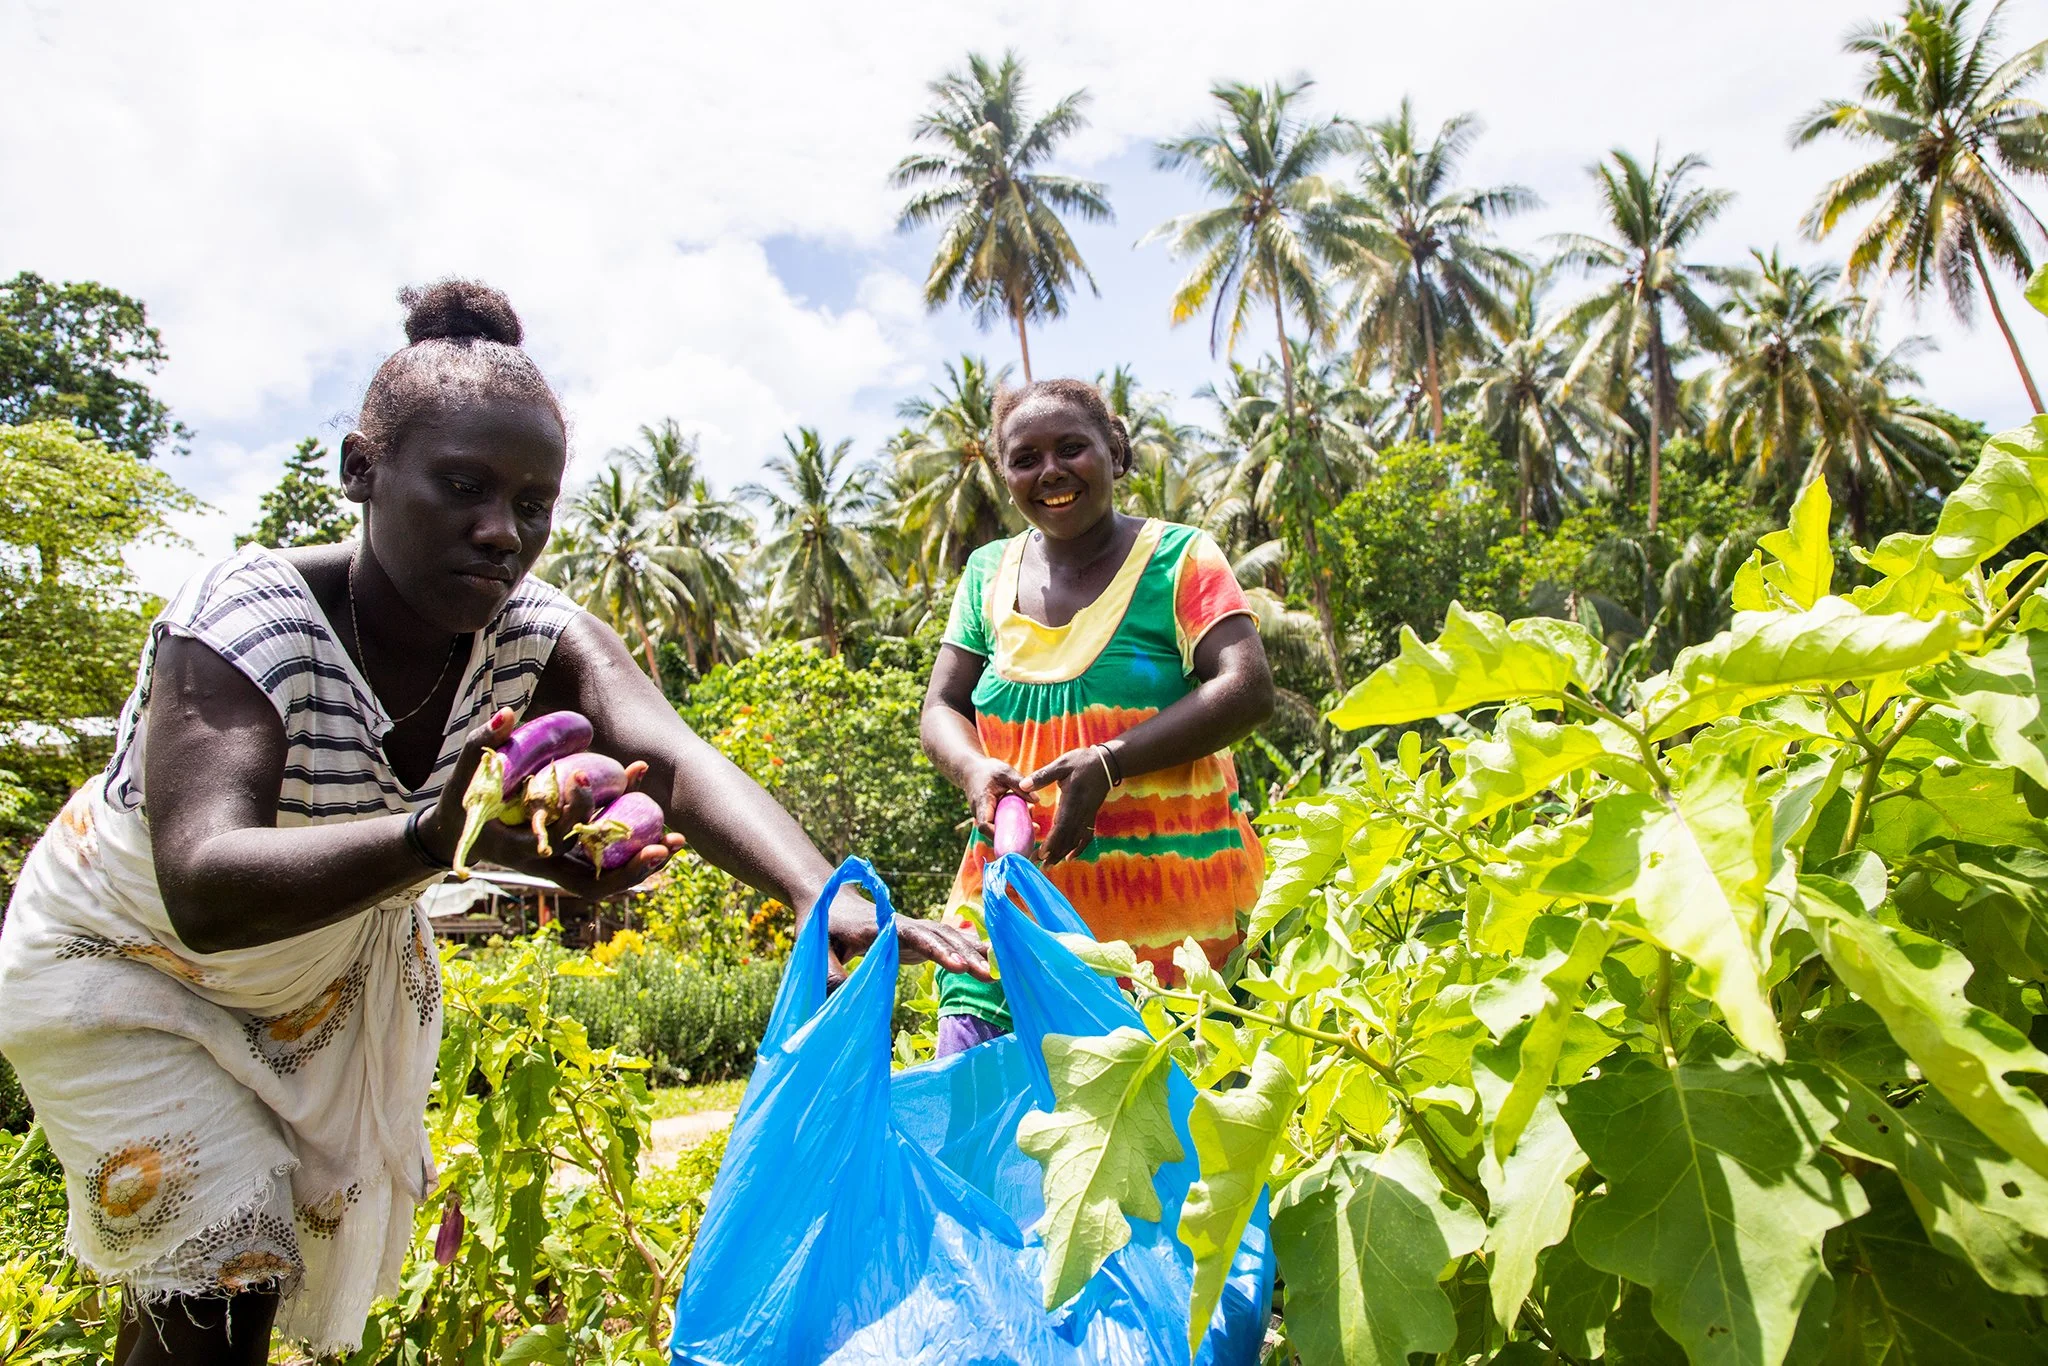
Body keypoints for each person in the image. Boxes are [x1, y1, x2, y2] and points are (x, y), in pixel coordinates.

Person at [0, 280, 987, 1365]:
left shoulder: (534, 630)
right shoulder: (248, 620)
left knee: (196, 1292)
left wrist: (817, 895)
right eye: (462, 486)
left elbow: (678, 758)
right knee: (224, 1277)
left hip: (318, 973)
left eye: (533, 504)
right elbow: (203, 880)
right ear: (361, 470)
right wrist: (434, 836)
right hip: (128, 965)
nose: (500, 531)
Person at [920, 378, 1274, 1056]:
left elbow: (1247, 687)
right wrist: (972, 769)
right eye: (1026, 459)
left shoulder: (1181, 560)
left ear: (1114, 452)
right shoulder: (987, 574)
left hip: (1174, 930)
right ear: (1005, 475)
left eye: (1071, 448)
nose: (1050, 471)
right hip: (1006, 910)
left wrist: (1110, 762)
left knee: (1174, 1140)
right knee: (986, 1124)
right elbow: (943, 705)